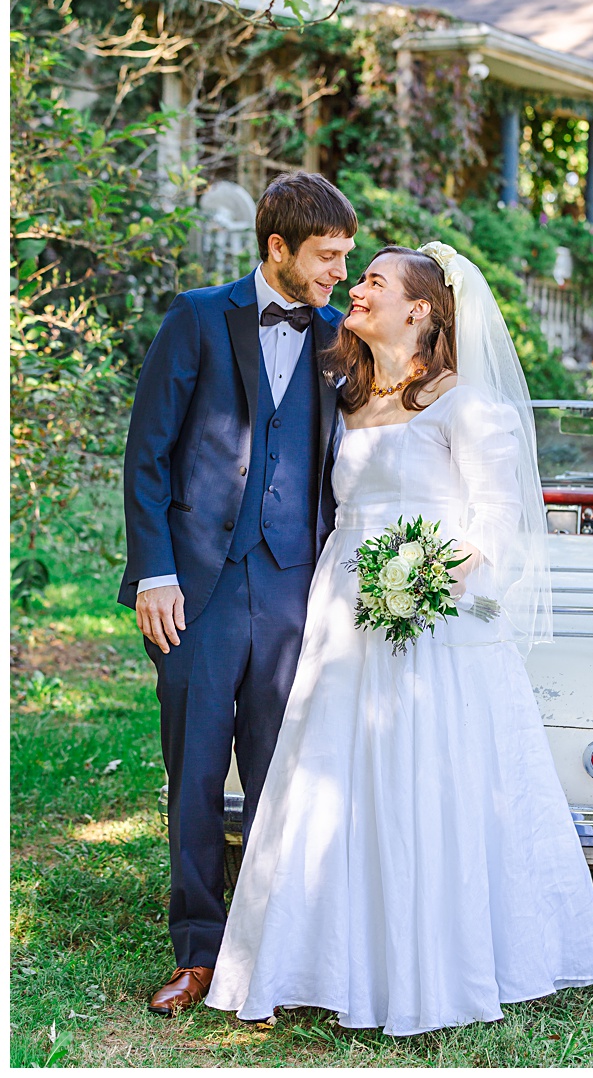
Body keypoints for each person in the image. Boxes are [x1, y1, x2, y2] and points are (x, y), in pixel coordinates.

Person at [205, 243, 593, 1034]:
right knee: (332, 777)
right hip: (341, 608)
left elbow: (497, 523)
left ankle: (436, 963)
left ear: (421, 310)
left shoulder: (468, 406)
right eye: (357, 278)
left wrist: (423, 578)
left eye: (373, 283)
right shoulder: (346, 394)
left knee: (429, 780)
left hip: (431, 615)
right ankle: (317, 955)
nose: (354, 290)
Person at [123, 171, 355, 1016]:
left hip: (298, 588)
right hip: (195, 588)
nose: (339, 273)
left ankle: (270, 951)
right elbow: (146, 454)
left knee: (278, 774)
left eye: (345, 258)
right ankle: (197, 951)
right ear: (277, 249)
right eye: (327, 257)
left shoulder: (340, 334)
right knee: (192, 774)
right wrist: (154, 572)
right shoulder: (195, 318)